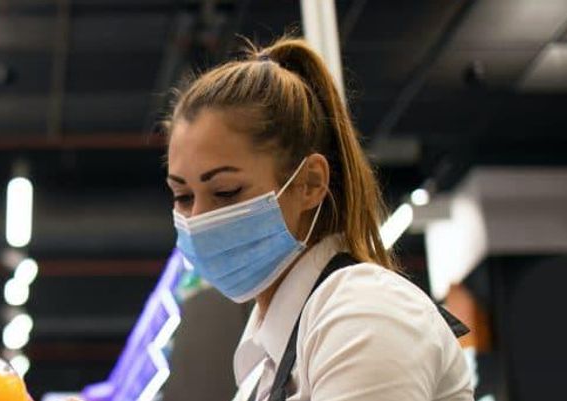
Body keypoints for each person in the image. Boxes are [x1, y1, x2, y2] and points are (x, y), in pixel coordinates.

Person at [164, 38, 473, 401]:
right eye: (183, 197)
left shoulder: (362, 310)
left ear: (310, 183)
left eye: (227, 191)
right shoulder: (265, 361)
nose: (198, 220)